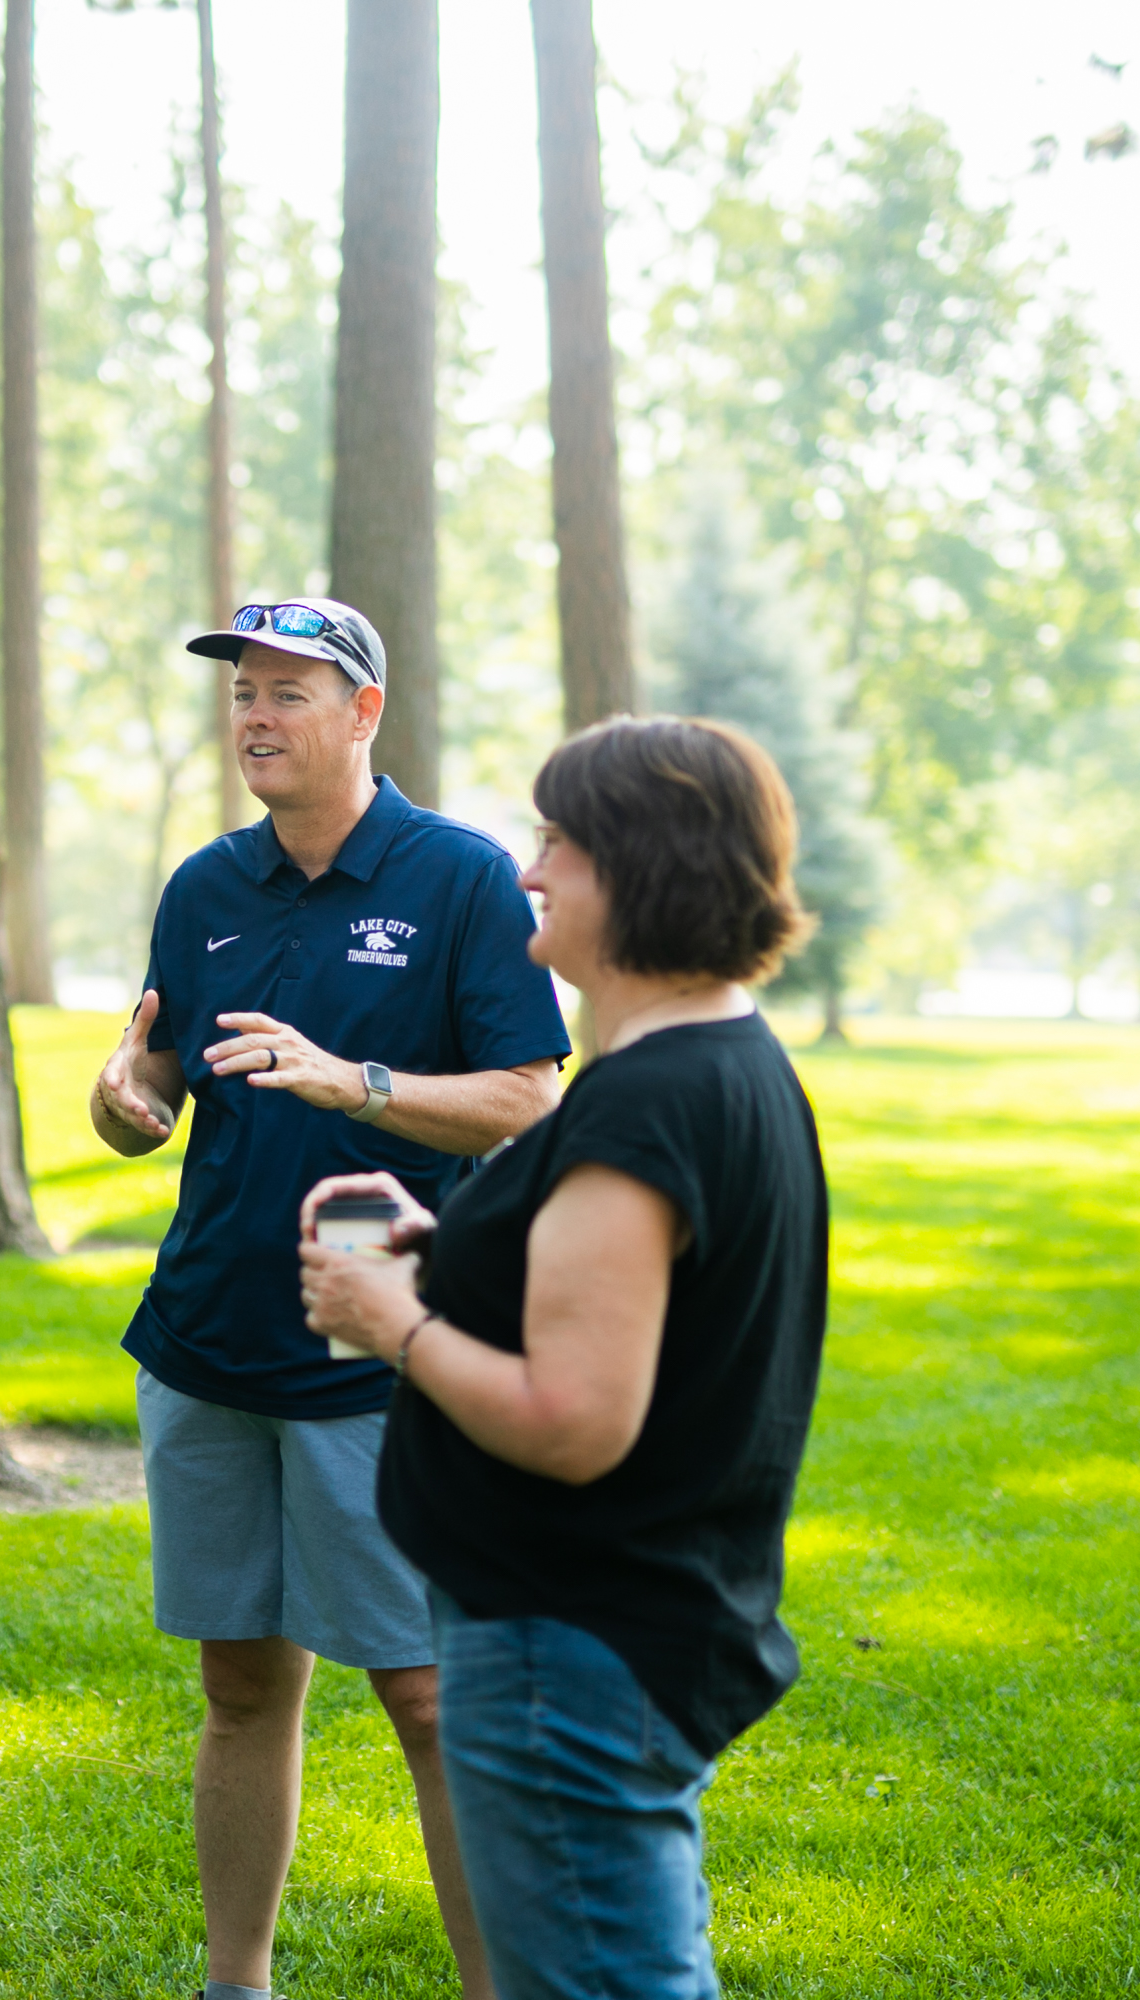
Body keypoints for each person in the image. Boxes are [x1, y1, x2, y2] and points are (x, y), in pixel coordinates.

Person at [297, 717, 831, 2000]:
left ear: (640, 868)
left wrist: (395, 1320)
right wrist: (446, 1246)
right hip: (636, 1622)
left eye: (557, 843)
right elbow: (625, 1292)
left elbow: (575, 1417)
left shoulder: (646, 1104)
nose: (529, 872)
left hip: (569, 1644)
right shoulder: (725, 1061)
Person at [92, 597, 573, 2000]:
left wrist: (355, 1081)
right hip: (207, 1341)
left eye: (288, 691)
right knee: (241, 1685)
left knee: (427, 1697)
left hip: (384, 1347)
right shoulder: (204, 886)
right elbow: (155, 1075)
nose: (256, 714)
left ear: (364, 712)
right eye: (245, 690)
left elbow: (528, 1100)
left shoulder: (461, 877)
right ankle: (235, 1984)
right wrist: (125, 1099)